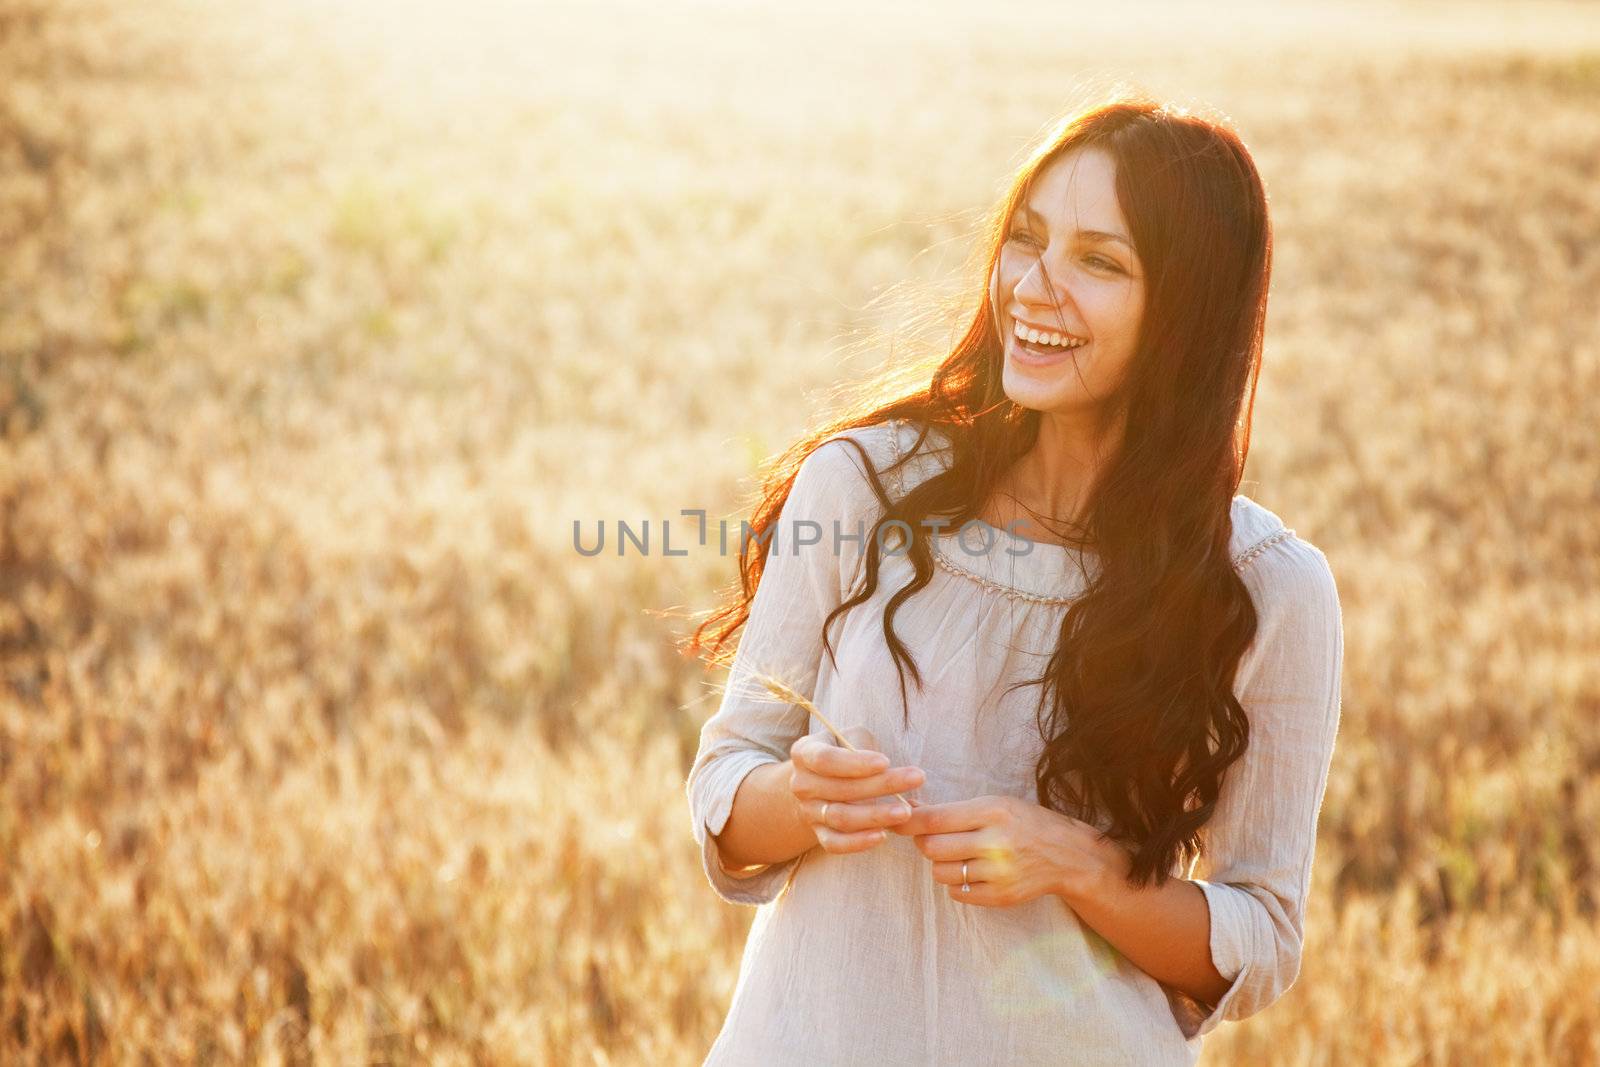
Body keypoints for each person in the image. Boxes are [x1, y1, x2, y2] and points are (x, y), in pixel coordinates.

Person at [682, 94, 1344, 1066]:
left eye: (1099, 261)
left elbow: (1262, 935)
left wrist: (1079, 868)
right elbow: (727, 789)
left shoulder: (1266, 589)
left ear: (1186, 309)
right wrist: (802, 795)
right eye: (1025, 239)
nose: (1034, 286)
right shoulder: (860, 485)